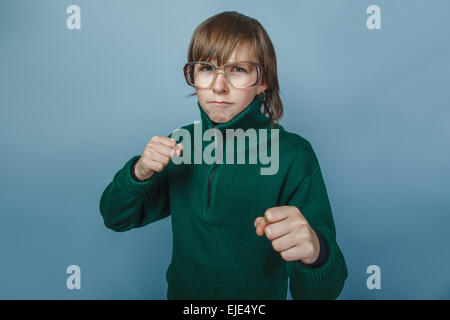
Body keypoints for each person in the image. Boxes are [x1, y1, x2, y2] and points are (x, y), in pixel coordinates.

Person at [99, 11, 348, 300]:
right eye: (206, 68)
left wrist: (316, 252)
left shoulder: (294, 155)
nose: (219, 86)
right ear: (193, 75)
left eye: (238, 70)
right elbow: (114, 217)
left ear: (262, 81)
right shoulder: (181, 144)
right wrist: (138, 174)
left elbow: (323, 293)